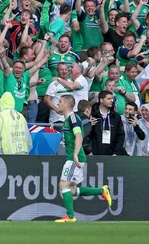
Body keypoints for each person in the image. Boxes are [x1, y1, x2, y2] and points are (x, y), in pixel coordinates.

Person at [55, 95, 112, 223]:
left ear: (67, 104)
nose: (58, 103)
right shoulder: (68, 118)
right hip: (75, 157)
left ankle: (70, 217)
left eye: (60, 101)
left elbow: (79, 136)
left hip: (73, 157)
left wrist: (75, 154)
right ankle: (102, 191)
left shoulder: (73, 118)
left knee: (63, 184)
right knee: (73, 190)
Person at [87, 91, 127, 156]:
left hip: (111, 155)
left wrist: (116, 152)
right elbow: (85, 135)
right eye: (109, 99)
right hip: (94, 155)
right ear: (101, 100)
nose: (112, 101)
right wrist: (89, 151)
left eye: (112, 99)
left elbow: (120, 135)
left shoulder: (116, 116)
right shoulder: (92, 115)